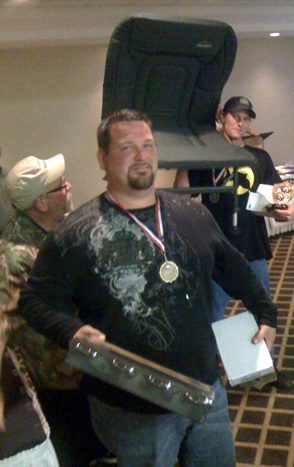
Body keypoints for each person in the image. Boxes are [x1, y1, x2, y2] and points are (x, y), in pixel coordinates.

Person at [18, 109, 279, 467]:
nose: (142, 156)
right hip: (131, 407)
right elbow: (34, 302)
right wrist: (71, 329)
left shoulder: (193, 215)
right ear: (103, 158)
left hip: (206, 389)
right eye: (127, 147)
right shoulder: (73, 235)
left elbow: (234, 269)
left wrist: (265, 311)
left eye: (148, 145)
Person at [175, 96, 294, 390]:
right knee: (209, 317)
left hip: (252, 247)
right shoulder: (206, 158)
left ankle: (263, 369)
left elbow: (283, 197)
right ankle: (203, 375)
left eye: (246, 118)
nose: (241, 122)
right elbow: (182, 193)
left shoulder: (260, 158)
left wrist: (291, 211)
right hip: (215, 251)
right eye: (235, 116)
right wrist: (185, 159)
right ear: (222, 117)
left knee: (262, 312)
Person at [0, 154, 108, 466]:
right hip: (57, 379)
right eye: (60, 186)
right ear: (41, 203)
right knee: (74, 449)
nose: (69, 186)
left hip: (76, 366)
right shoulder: (16, 257)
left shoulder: (53, 235)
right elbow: (20, 336)